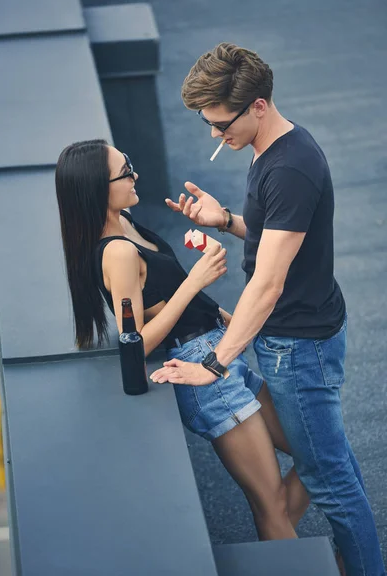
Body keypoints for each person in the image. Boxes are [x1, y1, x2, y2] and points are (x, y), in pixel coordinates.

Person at [151, 43, 385, 576]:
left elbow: (268, 283)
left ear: (257, 104)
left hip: (298, 347)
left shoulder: (289, 168)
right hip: (305, 333)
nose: (214, 135)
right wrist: (226, 219)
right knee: (334, 469)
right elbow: (277, 237)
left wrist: (213, 365)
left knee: (332, 484)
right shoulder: (273, 149)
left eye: (220, 122)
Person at [55, 139, 310, 542]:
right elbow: (136, 344)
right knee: (271, 504)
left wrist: (221, 313)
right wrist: (195, 282)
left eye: (131, 163)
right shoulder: (116, 253)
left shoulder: (126, 222)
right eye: (125, 172)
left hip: (217, 350)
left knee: (316, 456)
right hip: (203, 373)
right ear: (97, 188)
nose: (135, 175)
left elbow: (161, 292)